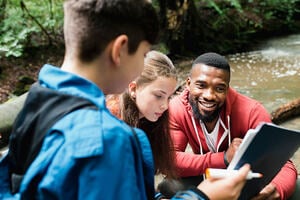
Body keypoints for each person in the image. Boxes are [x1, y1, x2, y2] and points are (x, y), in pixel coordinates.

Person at [0, 1, 251, 200]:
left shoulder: (38, 100)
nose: (142, 65)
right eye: (142, 54)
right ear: (119, 49)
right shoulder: (109, 138)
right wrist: (204, 196)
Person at [162, 52, 298, 199]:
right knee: (167, 186)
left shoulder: (251, 111)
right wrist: (224, 158)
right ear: (188, 84)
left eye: (219, 88)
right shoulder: (176, 109)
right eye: (201, 85)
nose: (209, 95)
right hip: (210, 177)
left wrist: (277, 190)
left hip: (248, 180)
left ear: (227, 89)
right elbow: (170, 161)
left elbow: (285, 164)